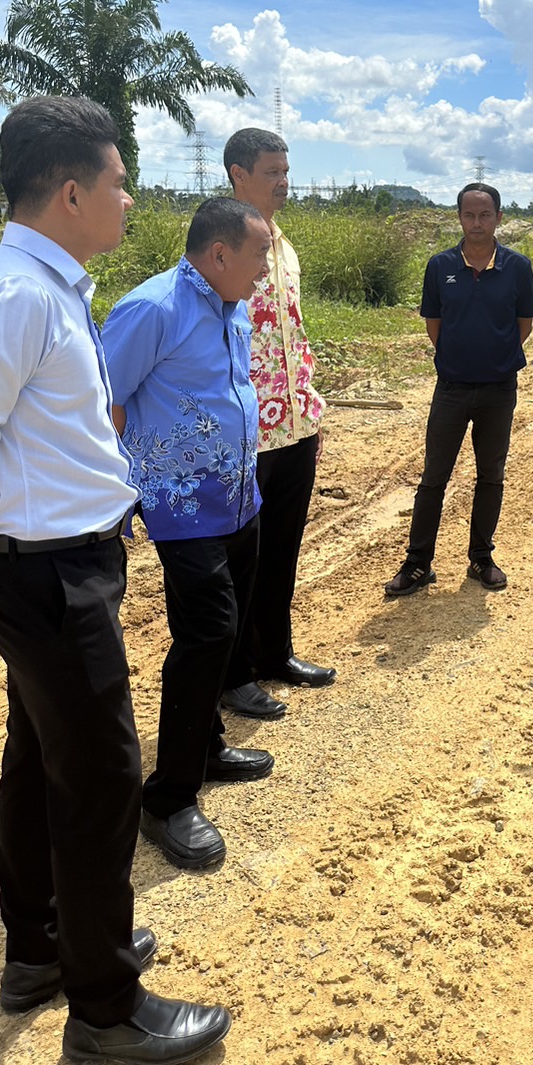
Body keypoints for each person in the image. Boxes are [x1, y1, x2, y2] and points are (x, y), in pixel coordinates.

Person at [0, 96, 229, 1065]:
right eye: (118, 181)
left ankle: (42, 953)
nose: (128, 196)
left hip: (55, 564)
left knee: (39, 761)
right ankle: (105, 1003)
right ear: (71, 192)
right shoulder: (16, 293)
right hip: (45, 575)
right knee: (104, 775)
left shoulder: (43, 283)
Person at [103, 198, 274, 872]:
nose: (266, 268)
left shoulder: (230, 305)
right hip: (182, 508)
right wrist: (115, 499)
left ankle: (205, 747)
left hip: (238, 499)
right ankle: (168, 797)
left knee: (223, 637)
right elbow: (103, 402)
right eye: (258, 254)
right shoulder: (153, 308)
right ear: (220, 252)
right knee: (206, 636)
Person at [220, 127, 335, 722]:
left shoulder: (283, 246)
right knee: (242, 558)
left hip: (294, 425)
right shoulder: (219, 245)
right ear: (239, 174)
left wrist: (310, 405)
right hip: (246, 436)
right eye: (272, 172)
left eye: (286, 170)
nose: (284, 181)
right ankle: (232, 674)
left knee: (283, 548)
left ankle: (275, 653)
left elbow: (292, 335)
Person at [385, 182, 533, 597]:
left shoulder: (518, 267)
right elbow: (434, 325)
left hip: (499, 389)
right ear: (459, 218)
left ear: (499, 218)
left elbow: (523, 324)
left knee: (491, 475)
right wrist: (459, 357)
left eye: (484, 214)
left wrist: (494, 358)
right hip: (451, 387)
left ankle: (481, 558)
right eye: (469, 215)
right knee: (434, 476)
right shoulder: (440, 266)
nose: (476, 223)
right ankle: (418, 563)